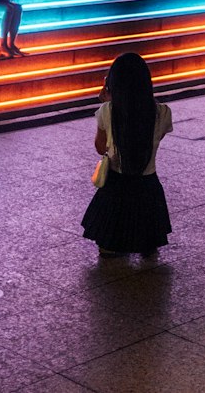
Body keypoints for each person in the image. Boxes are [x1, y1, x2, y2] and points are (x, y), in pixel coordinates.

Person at [81, 52, 173, 257]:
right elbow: (155, 141)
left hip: (116, 185)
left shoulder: (108, 111)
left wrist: (107, 100)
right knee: (149, 241)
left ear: (112, 84)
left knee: (109, 244)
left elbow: (100, 147)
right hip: (148, 183)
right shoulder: (162, 112)